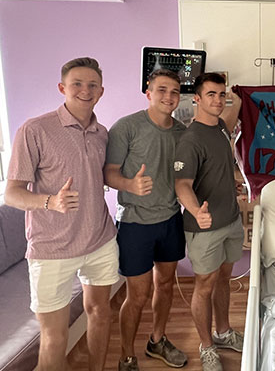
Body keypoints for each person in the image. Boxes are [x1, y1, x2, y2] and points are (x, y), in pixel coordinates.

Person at [5, 57, 119, 371]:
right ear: (62, 88)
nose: (85, 90)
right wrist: (49, 202)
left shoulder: (101, 133)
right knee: (54, 338)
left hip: (100, 241)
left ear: (101, 91)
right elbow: (12, 193)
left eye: (92, 85)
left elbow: (102, 177)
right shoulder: (35, 130)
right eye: (77, 84)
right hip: (51, 249)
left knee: (100, 313)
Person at [104, 69, 188, 370]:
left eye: (175, 91)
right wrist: (129, 185)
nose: (168, 96)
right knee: (137, 295)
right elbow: (109, 172)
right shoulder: (126, 127)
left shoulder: (181, 132)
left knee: (165, 285)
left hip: (170, 221)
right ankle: (126, 356)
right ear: (148, 93)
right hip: (134, 224)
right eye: (162, 90)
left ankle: (157, 340)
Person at [174, 72, 244, 371]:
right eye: (211, 95)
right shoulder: (190, 139)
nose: (218, 100)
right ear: (197, 99)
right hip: (204, 228)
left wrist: (238, 94)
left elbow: (234, 107)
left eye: (221, 94)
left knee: (224, 279)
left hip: (230, 220)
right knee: (204, 284)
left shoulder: (222, 130)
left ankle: (224, 331)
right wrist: (195, 211)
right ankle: (206, 345)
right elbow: (182, 184)